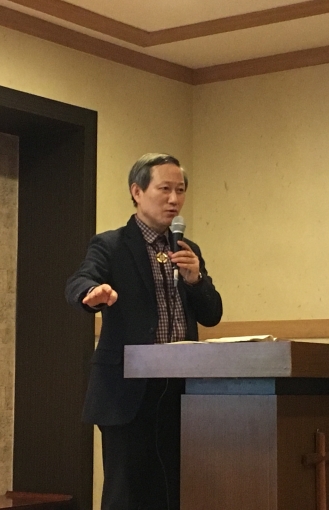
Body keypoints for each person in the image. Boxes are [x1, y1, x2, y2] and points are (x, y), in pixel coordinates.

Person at [65, 153, 223, 510]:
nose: (174, 199)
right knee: (127, 494)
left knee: (174, 492)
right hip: (127, 392)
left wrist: (196, 279)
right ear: (137, 192)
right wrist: (92, 293)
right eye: (164, 189)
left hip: (181, 391)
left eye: (180, 190)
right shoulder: (111, 245)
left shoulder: (188, 249)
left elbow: (212, 314)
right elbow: (80, 279)